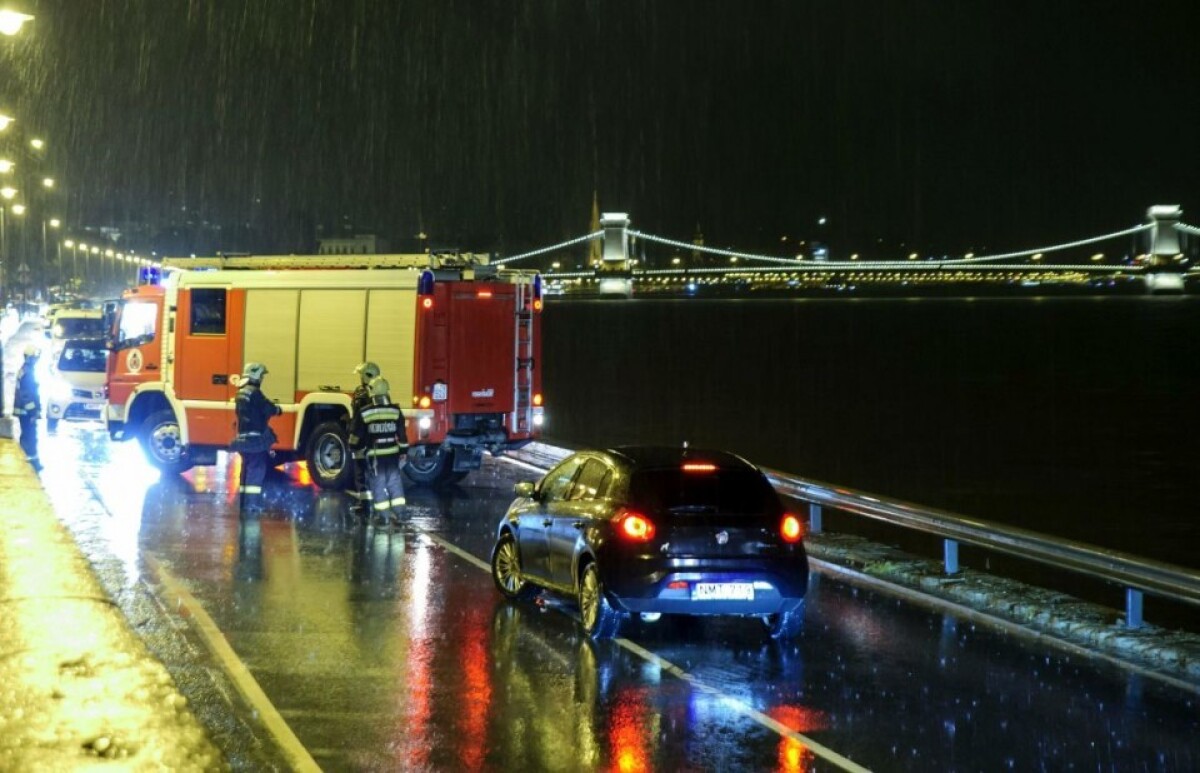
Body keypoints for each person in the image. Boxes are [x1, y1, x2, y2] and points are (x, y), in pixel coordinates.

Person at [349, 376, 408, 527]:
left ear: (372, 392)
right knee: (395, 484)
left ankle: (384, 517)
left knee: (378, 485)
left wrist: (354, 448)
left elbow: (356, 436)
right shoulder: (395, 411)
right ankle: (400, 513)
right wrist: (403, 451)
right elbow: (402, 435)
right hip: (393, 455)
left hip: (375, 458)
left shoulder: (365, 412)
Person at [232, 362, 281, 517]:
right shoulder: (255, 393)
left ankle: (244, 503)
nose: (261, 379)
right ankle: (252, 505)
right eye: (261, 375)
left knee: (246, 469)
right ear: (255, 375)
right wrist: (277, 409)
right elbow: (268, 408)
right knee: (256, 469)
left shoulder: (241, 392)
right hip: (255, 440)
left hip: (242, 439)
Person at [347, 361, 381, 520]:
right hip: (374, 438)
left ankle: (365, 506)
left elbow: (359, 419)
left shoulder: (361, 394)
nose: (359, 378)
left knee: (361, 471)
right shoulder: (379, 393)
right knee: (372, 471)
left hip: (362, 438)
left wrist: (353, 438)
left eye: (361, 375)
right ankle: (373, 503)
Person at [13, 345, 42, 471]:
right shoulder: (28, 373)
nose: (37, 360)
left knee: (26, 434)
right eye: (35, 357)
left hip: (24, 411)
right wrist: (33, 412)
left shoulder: (25, 370)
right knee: (30, 435)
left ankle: (28, 459)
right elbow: (27, 394)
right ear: (30, 358)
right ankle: (31, 462)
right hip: (27, 411)